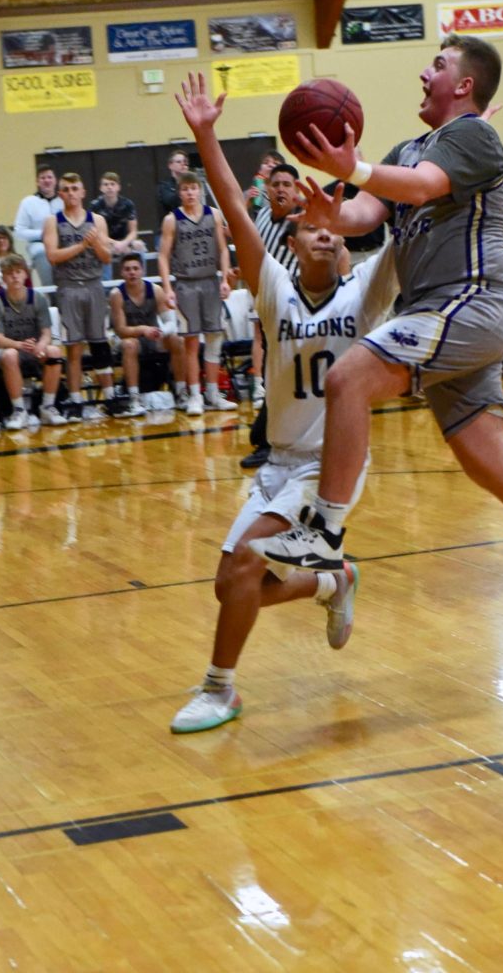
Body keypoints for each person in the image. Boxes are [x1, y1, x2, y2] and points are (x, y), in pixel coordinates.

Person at [249, 35, 503, 648]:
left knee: (347, 377)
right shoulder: (408, 148)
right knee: (490, 463)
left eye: (438, 65)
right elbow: (366, 217)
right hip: (440, 315)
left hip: (467, 304)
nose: (425, 74)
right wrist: (328, 211)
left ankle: (327, 531)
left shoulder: (474, 136)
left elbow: (422, 186)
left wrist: (356, 169)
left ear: (465, 84)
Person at [170, 72, 397, 733]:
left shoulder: (367, 293)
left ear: (347, 241)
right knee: (230, 585)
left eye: (334, 226)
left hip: (328, 468)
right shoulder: (272, 289)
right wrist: (206, 134)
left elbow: (407, 229)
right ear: (289, 242)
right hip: (278, 460)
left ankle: (221, 688)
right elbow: (237, 213)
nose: (325, 232)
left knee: (243, 566)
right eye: (310, 225)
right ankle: (333, 581)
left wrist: (360, 164)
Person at [43, 172, 129, 421]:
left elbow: (105, 258)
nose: (70, 193)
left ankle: (110, 396)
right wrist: (82, 245)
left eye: (74, 188)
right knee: (73, 348)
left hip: (93, 285)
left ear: (83, 193)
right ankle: (75, 399)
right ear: (60, 194)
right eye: (66, 189)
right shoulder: (53, 221)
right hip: (69, 286)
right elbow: (52, 256)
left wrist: (95, 244)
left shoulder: (97, 220)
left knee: (99, 343)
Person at [241, 163, 304, 468]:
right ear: (267, 188)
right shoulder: (263, 215)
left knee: (279, 374)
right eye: (276, 184)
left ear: (297, 190)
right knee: (273, 373)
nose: (281, 189)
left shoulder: (301, 222)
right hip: (268, 308)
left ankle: (269, 441)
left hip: (294, 311)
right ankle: (272, 434)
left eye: (287, 184)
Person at [157, 171, 235, 416]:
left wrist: (225, 278)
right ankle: (194, 396)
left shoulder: (214, 215)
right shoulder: (172, 220)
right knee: (191, 343)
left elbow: (223, 250)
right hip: (186, 284)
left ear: (200, 189)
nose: (189, 193)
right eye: (185, 189)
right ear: (179, 193)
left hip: (211, 281)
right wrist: (168, 288)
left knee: (214, 339)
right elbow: (162, 256)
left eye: (193, 188)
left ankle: (213, 394)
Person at [0, 253, 67, 430]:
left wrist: (41, 344)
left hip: (33, 348)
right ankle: (19, 410)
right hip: (10, 349)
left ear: (25, 274)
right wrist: (18, 344)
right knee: (9, 355)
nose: (15, 276)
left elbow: (46, 333)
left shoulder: (37, 298)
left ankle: (47, 407)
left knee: (54, 351)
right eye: (10, 273)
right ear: (3, 277)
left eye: (18, 271)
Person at [109, 253, 187, 414]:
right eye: (128, 269)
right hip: (127, 339)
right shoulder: (117, 295)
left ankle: (181, 393)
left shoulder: (155, 290)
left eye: (135, 268)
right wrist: (143, 330)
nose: (132, 272)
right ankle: (134, 399)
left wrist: (161, 332)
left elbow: (171, 322)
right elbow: (121, 330)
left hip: (152, 337)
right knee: (130, 344)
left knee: (177, 340)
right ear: (121, 273)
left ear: (142, 271)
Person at [89, 172, 147, 281]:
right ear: (101, 188)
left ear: (118, 187)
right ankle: (106, 287)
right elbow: (98, 234)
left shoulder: (128, 204)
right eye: (106, 184)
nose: (109, 187)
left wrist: (124, 244)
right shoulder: (95, 206)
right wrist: (116, 244)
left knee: (140, 246)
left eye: (112, 184)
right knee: (99, 249)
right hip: (105, 242)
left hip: (125, 242)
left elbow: (133, 231)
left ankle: (141, 282)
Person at [14, 164, 63, 288]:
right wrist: (44, 233)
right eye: (43, 178)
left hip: (63, 243)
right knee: (42, 253)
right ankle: (51, 294)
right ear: (37, 181)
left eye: (49, 177)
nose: (47, 180)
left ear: (55, 180)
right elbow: (19, 231)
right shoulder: (28, 202)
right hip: (39, 245)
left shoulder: (64, 200)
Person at [0, 225, 33, 296]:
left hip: (22, 296)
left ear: (10, 240)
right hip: (0, 298)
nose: (1, 241)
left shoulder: (19, 258)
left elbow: (28, 283)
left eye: (4, 238)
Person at [245, 148, 285, 218]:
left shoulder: (288, 192)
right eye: (266, 163)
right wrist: (247, 202)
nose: (270, 165)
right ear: (260, 171)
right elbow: (233, 217)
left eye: (276, 163)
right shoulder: (250, 193)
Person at [156, 148, 189, 224]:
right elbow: (170, 201)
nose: (183, 164)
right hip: (171, 226)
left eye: (185, 162)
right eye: (178, 162)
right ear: (170, 165)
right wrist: (182, 181)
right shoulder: (164, 185)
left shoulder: (191, 184)